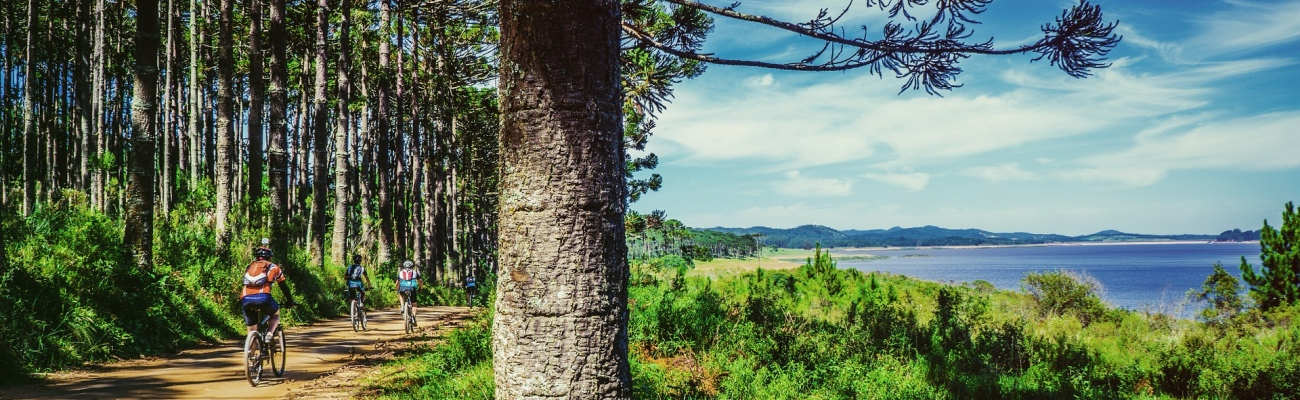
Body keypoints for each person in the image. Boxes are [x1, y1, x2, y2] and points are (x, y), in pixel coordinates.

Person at [241, 238, 295, 336]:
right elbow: (283, 286)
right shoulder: (274, 267)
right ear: (270, 257)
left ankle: (250, 348)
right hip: (264, 298)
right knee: (275, 314)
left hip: (245, 299)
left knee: (252, 331)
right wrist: (290, 300)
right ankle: (269, 334)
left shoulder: (250, 266)